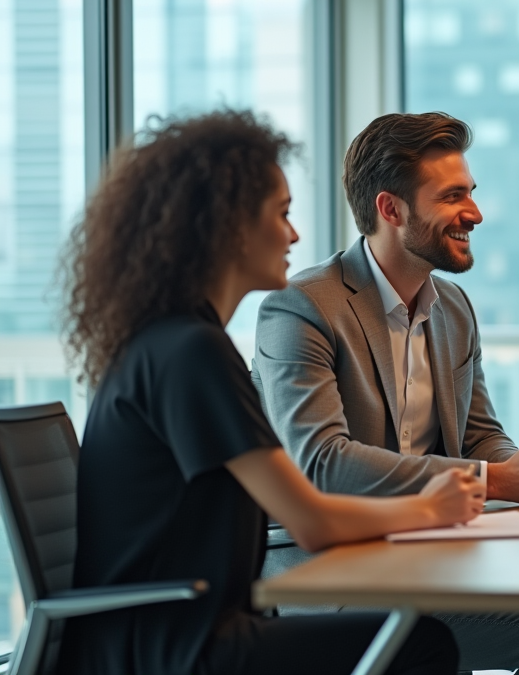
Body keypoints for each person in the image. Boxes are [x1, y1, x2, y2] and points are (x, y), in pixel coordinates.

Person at [57, 111, 481, 675]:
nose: (294, 235)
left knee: (414, 637)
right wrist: (433, 505)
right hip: (172, 650)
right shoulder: (191, 353)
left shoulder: (172, 342)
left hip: (172, 633)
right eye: (281, 214)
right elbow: (310, 520)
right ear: (229, 226)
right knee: (420, 643)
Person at [252, 111, 519, 675]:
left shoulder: (454, 309)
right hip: (326, 572)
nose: (475, 212)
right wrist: (496, 480)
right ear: (391, 209)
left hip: (428, 553)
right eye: (452, 196)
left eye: (471, 192)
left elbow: (479, 436)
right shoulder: (302, 307)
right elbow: (323, 463)